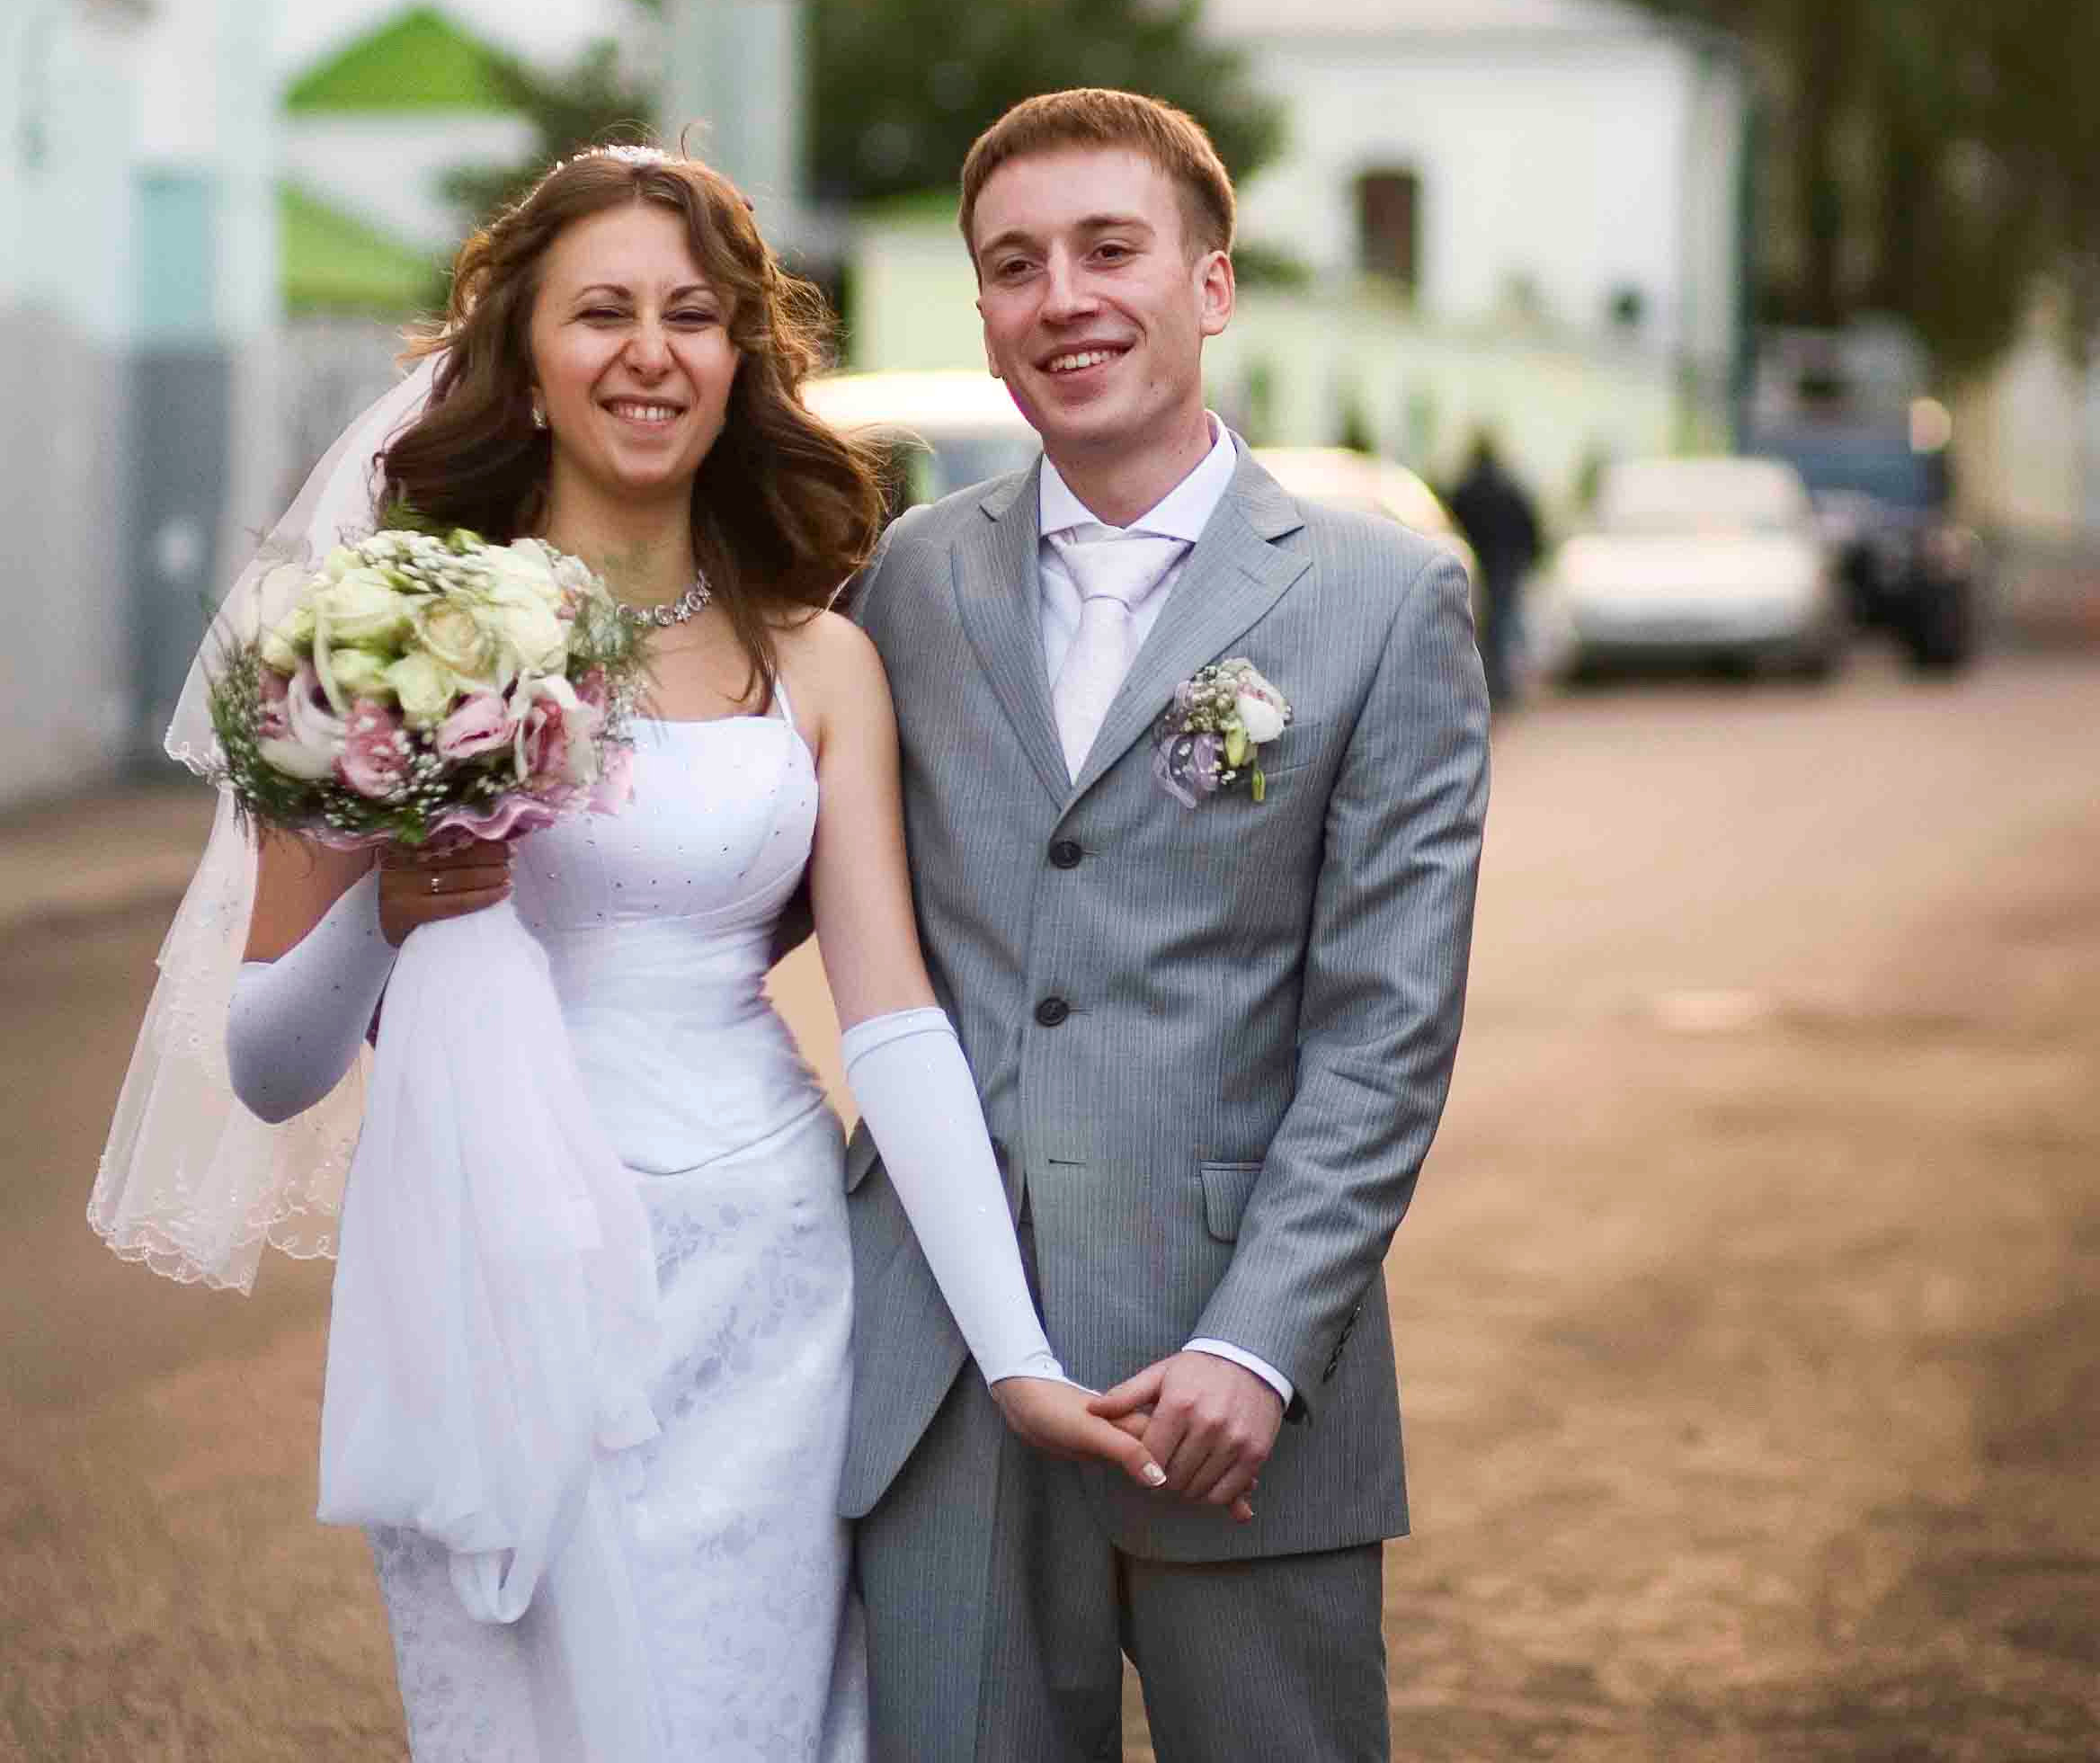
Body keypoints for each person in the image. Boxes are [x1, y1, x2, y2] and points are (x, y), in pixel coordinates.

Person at [93, 147, 1161, 1762]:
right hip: (487, 1274)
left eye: (692, 313)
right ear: (522, 362)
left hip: (764, 1283)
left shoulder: (821, 657)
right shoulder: (376, 640)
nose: (650, 350)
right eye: (601, 311)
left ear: (740, 361)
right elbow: (266, 1058)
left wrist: (1014, 1352)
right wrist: (388, 903)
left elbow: (893, 1025)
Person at [844, 90, 1491, 1763]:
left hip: (1232, 1381)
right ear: (983, 315)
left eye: (1108, 247)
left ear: (1211, 284)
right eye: (1014, 263)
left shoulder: (1380, 596)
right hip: (942, 1365)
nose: (1063, 295)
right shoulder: (907, 580)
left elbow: (1384, 1031)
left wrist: (1257, 1342)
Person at [1441, 429, 1542, 708]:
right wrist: (1531, 556)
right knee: (1504, 622)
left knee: (1481, 626)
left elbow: (1453, 522)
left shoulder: (1465, 486)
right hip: (1506, 563)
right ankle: (1503, 684)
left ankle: (1489, 684)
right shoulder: (1508, 485)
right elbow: (1527, 523)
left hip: (1478, 563)